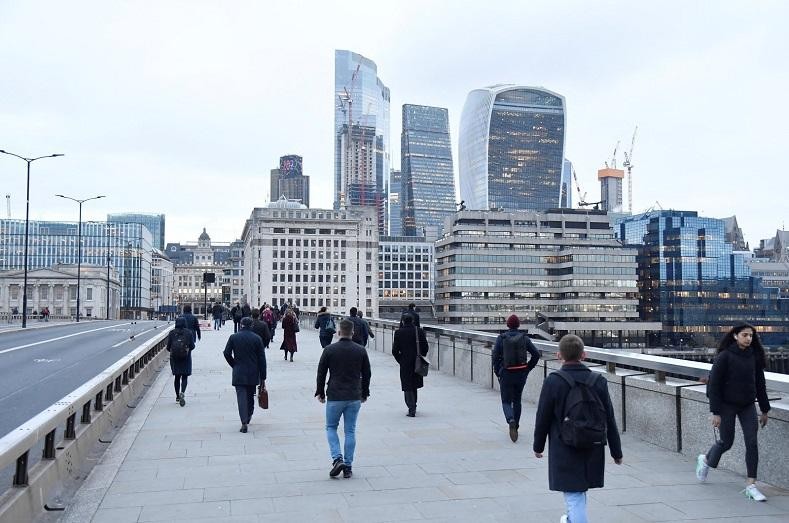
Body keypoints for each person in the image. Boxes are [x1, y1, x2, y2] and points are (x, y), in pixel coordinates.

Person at [533, 334, 623, 523]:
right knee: (578, 493)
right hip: (593, 445)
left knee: (574, 495)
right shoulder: (598, 380)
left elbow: (543, 416)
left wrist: (538, 446)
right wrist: (616, 451)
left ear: (559, 356)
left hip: (564, 446)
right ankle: (570, 520)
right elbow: (610, 418)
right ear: (584, 355)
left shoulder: (553, 381)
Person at [695, 322, 771, 501]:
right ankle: (705, 460)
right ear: (736, 336)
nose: (748, 339)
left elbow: (760, 385)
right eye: (745, 335)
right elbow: (714, 386)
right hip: (726, 405)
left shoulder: (754, 357)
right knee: (726, 443)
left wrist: (765, 409)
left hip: (747, 405)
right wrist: (715, 412)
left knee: (752, 443)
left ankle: (751, 485)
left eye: (751, 336)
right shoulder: (725, 356)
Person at [315, 319, 371, 479]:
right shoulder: (360, 350)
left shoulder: (329, 350)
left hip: (335, 394)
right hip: (354, 395)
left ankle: (337, 458)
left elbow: (321, 373)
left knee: (331, 427)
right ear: (353, 333)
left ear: (339, 332)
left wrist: (320, 391)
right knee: (350, 431)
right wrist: (365, 392)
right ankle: (348, 466)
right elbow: (367, 374)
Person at [492, 314, 541, 442]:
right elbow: (536, 354)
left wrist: (498, 371)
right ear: (518, 325)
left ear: (508, 325)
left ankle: (510, 420)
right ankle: (516, 426)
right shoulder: (524, 338)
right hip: (521, 374)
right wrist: (528, 368)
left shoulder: (501, 338)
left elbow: (495, 356)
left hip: (506, 373)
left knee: (506, 401)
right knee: (517, 400)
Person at [223, 317, 267, 433]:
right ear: (251, 325)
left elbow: (226, 353)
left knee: (241, 397)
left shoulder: (234, 337)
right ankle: (248, 416)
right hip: (253, 372)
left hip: (239, 371)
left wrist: (234, 365)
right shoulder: (257, 338)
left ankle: (243, 421)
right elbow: (262, 359)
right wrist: (263, 376)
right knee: (250, 396)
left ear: (241, 325)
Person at [392, 313, 429, 417]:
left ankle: (411, 407)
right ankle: (414, 405)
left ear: (403, 321)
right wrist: (421, 356)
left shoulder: (398, 333)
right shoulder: (419, 331)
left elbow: (395, 350)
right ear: (412, 321)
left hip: (405, 362)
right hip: (417, 361)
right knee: (414, 384)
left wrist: (400, 360)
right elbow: (425, 347)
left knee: (407, 385)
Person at [166, 317, 195, 406]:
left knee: (177, 377)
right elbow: (192, 346)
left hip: (175, 358)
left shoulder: (172, 333)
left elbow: (168, 347)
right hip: (186, 358)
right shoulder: (188, 333)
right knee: (185, 376)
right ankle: (182, 391)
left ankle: (177, 396)